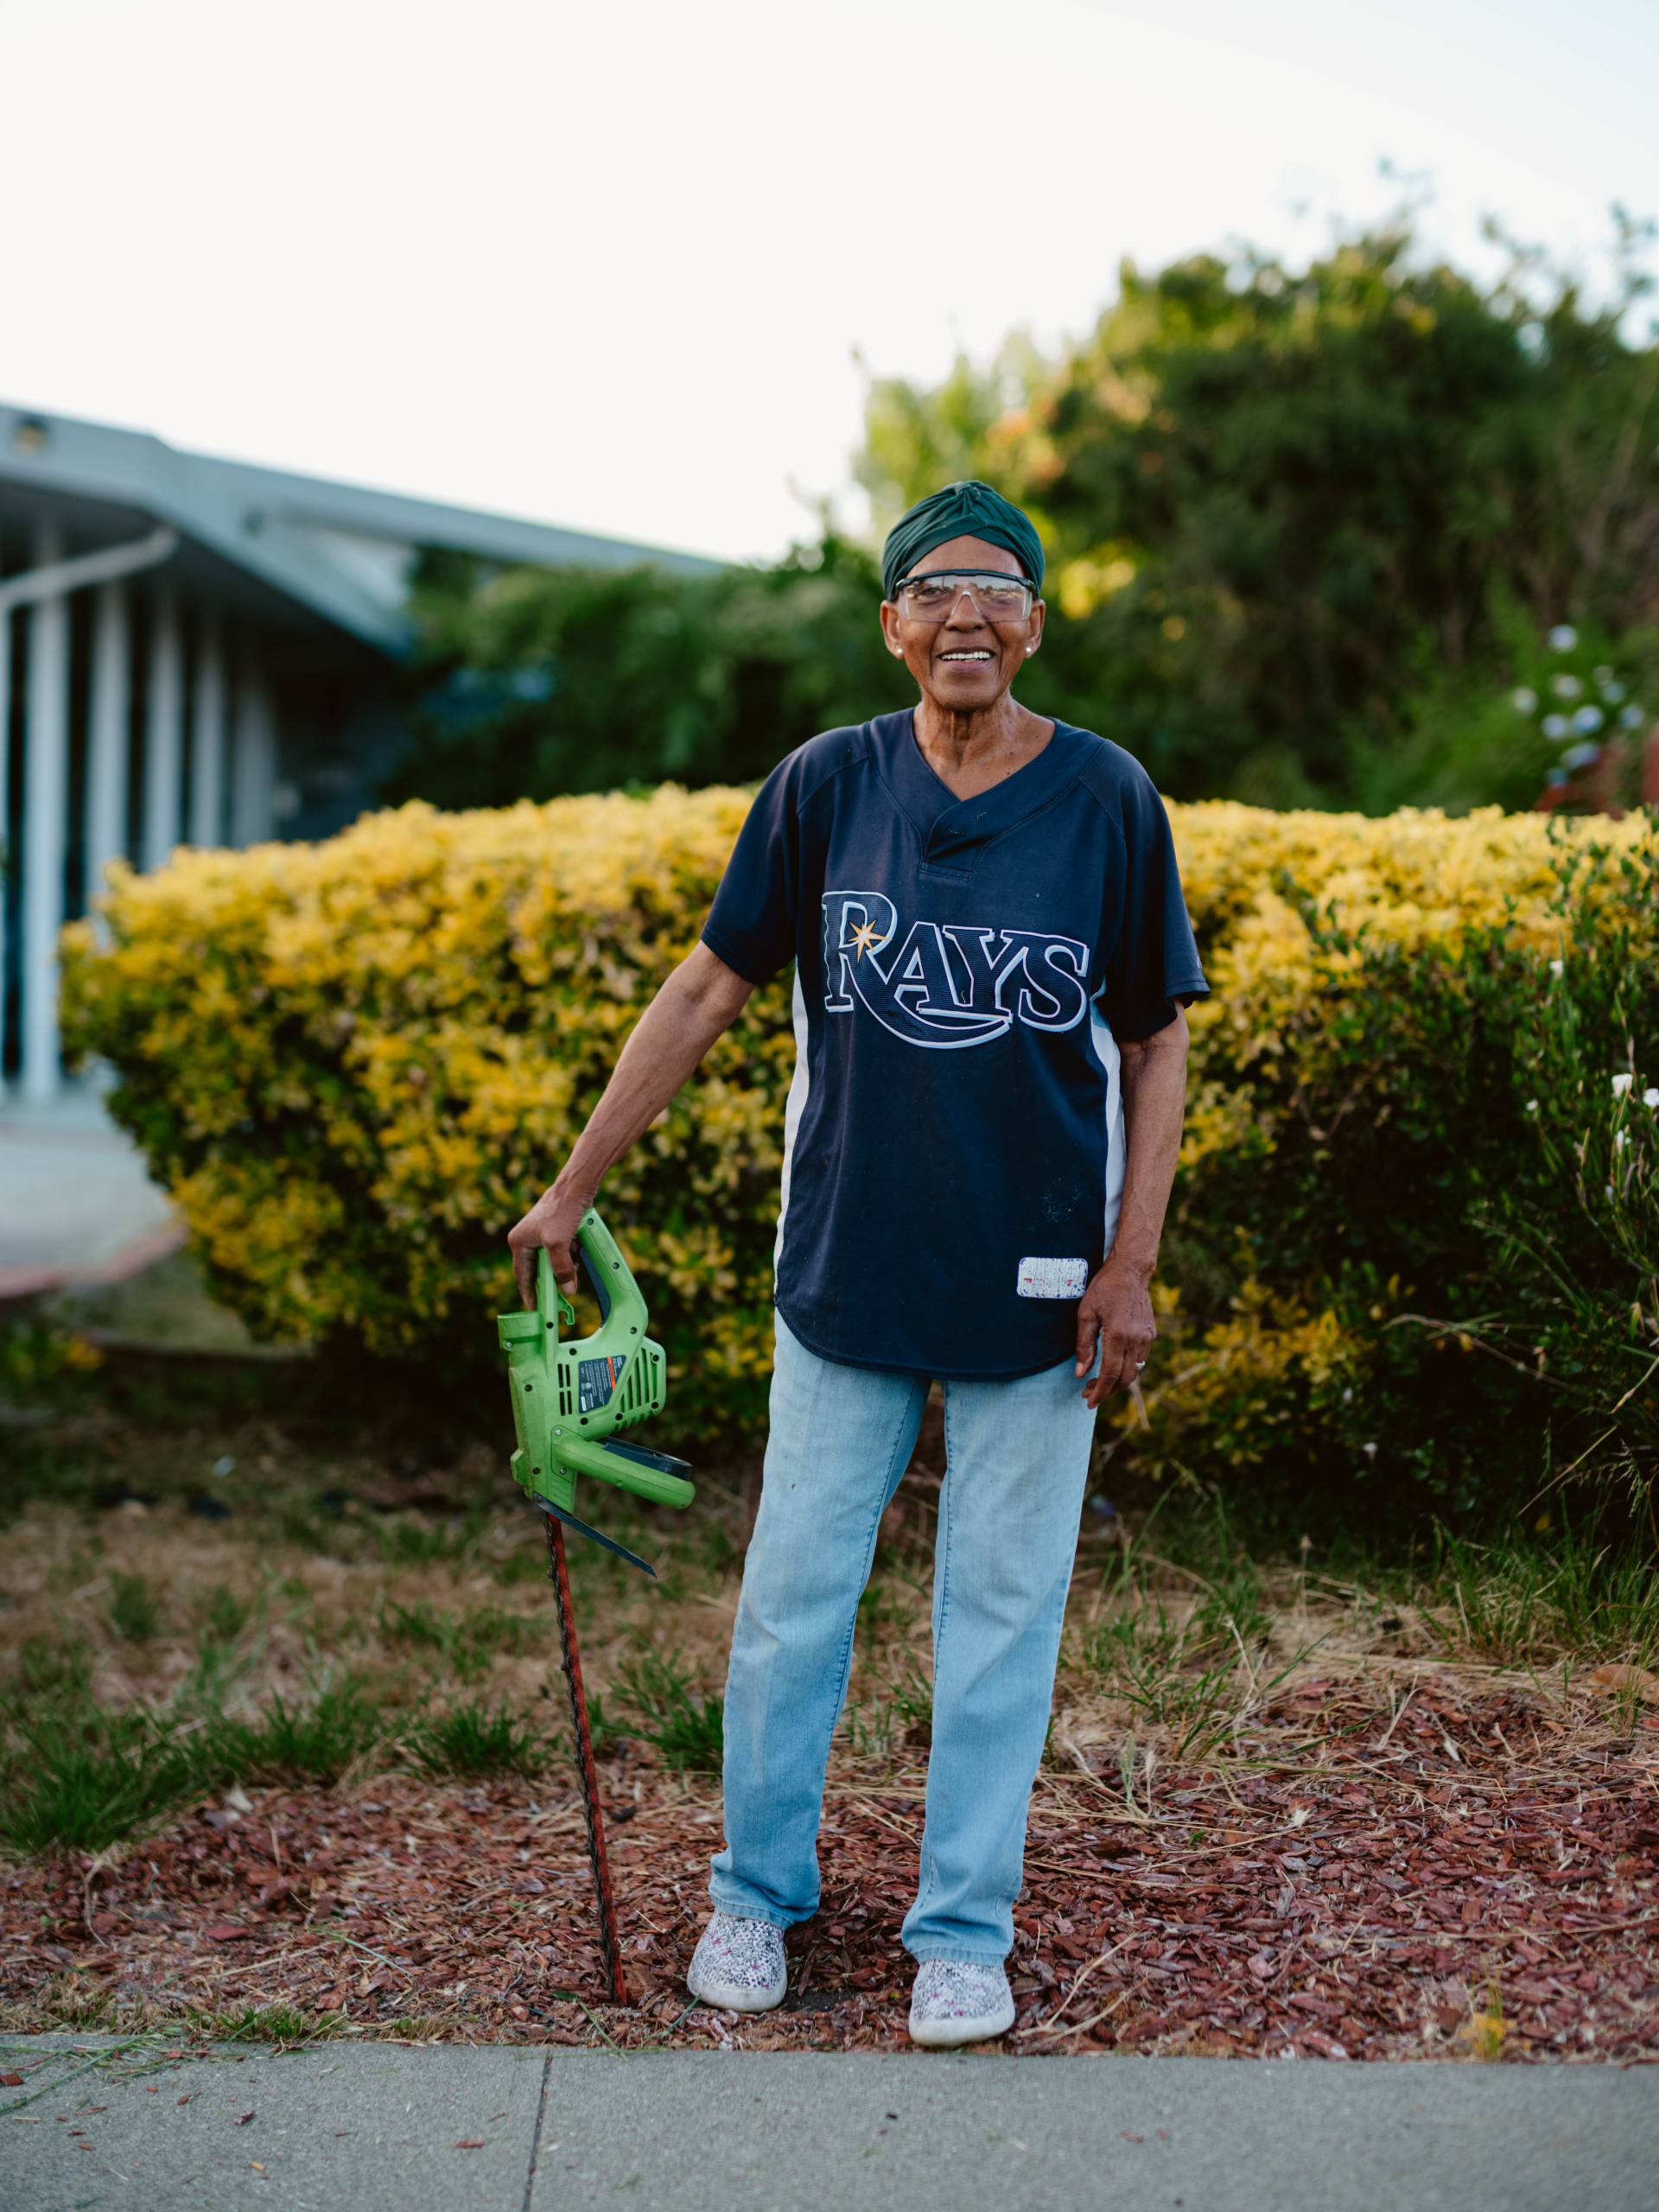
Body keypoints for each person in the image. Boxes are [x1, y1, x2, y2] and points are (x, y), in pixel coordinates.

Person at [507, 480, 1209, 2049]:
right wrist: (569, 1191)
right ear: (891, 623)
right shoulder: (827, 786)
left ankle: (962, 1930)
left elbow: (1156, 1043)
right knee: (789, 1610)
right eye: (936, 591)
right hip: (845, 1274)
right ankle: (757, 1896)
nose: (969, 616)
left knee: (1002, 1617)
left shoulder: (1107, 798)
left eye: (1000, 589)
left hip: (1043, 1295)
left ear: (1035, 619)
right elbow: (706, 990)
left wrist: (1131, 1264)